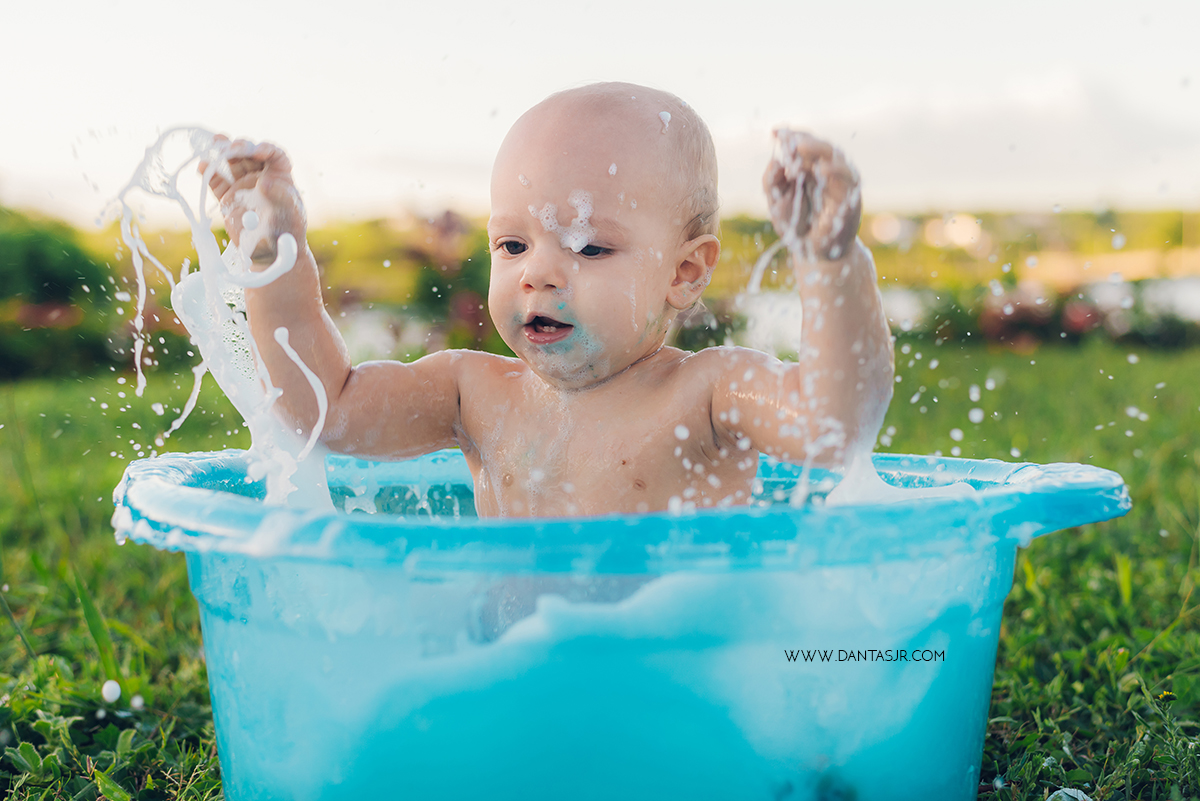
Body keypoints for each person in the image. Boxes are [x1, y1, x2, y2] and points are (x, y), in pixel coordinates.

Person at [201, 81, 893, 517]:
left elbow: (835, 427)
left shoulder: (706, 395)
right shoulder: (472, 393)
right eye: (512, 246)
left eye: (590, 248)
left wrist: (831, 265)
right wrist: (274, 260)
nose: (538, 274)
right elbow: (324, 412)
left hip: (676, 684)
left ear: (683, 273)